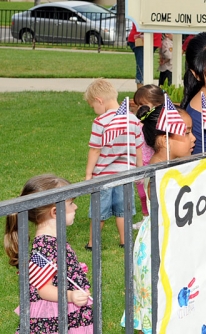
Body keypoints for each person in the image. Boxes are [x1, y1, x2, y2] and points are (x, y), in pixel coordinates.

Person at [120, 104, 195, 333]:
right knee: (157, 308)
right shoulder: (158, 173)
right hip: (159, 247)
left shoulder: (177, 167)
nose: (193, 138)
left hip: (172, 241)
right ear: (164, 140)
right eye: (187, 132)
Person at [4, 175, 93, 333]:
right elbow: (43, 289)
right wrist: (71, 296)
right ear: (55, 212)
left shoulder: (52, 241)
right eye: (71, 203)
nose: (76, 207)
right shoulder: (44, 247)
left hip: (65, 311)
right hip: (54, 316)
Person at [84, 79, 143, 250]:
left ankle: (92, 243)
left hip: (103, 176)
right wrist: (139, 167)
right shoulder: (132, 119)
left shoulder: (100, 122)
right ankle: (125, 241)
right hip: (126, 174)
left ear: (99, 100)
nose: (94, 111)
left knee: (98, 212)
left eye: (93, 106)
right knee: (123, 211)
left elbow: (95, 150)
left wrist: (89, 174)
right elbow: (138, 147)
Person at [131, 84, 165, 230]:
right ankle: (146, 217)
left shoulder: (159, 122)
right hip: (141, 162)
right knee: (142, 193)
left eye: (143, 105)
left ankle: (156, 217)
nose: (140, 108)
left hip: (155, 162)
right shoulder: (139, 122)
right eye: (138, 105)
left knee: (154, 192)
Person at [127, 24, 162, 89]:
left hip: (152, 39)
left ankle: (144, 91)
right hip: (141, 39)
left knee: (145, 66)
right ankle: (141, 93)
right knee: (142, 66)